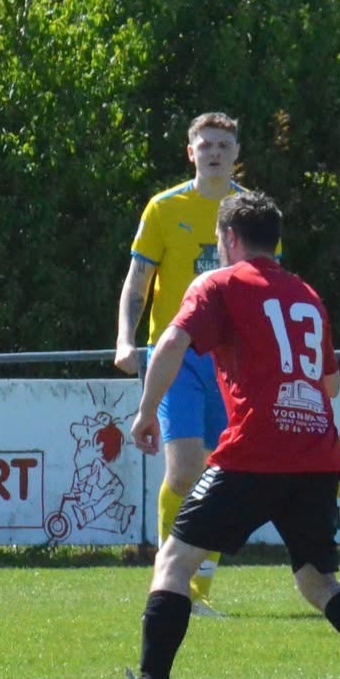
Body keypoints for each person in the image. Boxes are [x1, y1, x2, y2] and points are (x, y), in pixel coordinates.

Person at [89, 192, 340, 679]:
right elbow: (332, 382)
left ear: (229, 239)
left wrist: (145, 412)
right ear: (276, 240)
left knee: (174, 561)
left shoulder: (218, 282)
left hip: (253, 450)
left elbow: (170, 342)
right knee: (319, 583)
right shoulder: (306, 294)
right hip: (317, 454)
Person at [113, 113, 259, 616]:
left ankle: (199, 588)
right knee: (184, 470)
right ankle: (170, 577)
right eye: (206, 144)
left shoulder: (251, 212)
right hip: (174, 354)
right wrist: (124, 340)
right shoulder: (164, 208)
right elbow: (138, 279)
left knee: (222, 472)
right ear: (190, 151)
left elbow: (266, 287)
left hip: (230, 360)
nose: (214, 151)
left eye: (224, 144)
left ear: (237, 152)